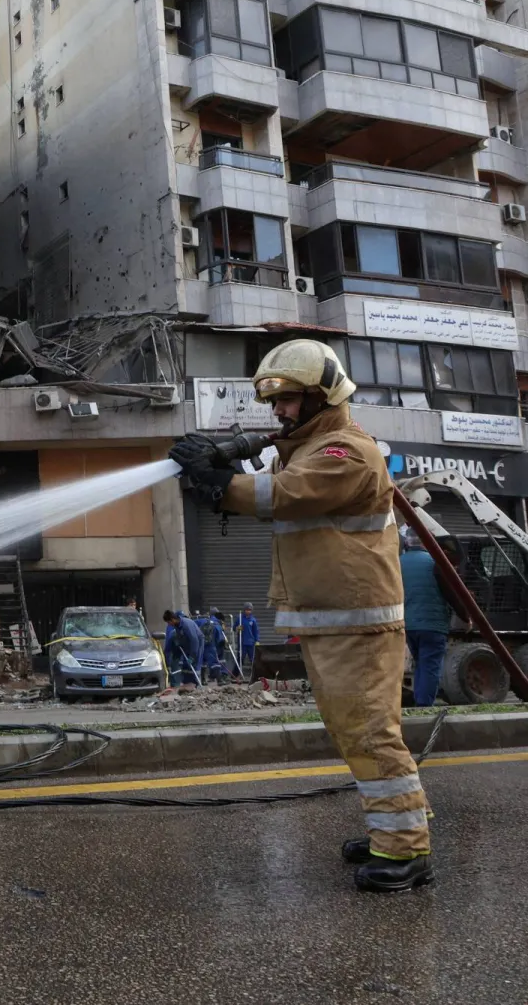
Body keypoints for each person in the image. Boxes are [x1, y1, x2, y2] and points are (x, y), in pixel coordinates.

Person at [169, 339, 431, 893]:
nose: (278, 412)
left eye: (288, 400)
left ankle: (405, 851)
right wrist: (223, 463)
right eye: (275, 402)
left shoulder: (346, 452)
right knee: (354, 730)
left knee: (370, 732)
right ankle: (394, 827)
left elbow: (286, 494)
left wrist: (218, 480)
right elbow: (280, 483)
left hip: (356, 621)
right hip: (333, 619)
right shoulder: (309, 447)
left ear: (322, 395)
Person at [400, 528, 470, 707]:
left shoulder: (397, 563)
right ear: (427, 542)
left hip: (408, 625)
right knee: (430, 665)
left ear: (407, 542)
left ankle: (419, 702)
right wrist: (466, 617)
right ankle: (423, 706)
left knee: (420, 664)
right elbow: (451, 594)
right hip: (433, 624)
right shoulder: (436, 563)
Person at [162, 609, 202, 687]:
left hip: (198, 641)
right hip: (187, 643)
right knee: (186, 664)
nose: (169, 624)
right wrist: (178, 641)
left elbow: (195, 641)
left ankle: (197, 684)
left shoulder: (186, 625)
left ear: (172, 619)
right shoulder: (177, 625)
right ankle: (188, 683)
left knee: (194, 663)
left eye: (168, 622)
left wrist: (192, 656)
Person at [199, 607, 230, 684]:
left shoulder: (204, 621)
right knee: (215, 663)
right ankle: (219, 680)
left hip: (202, 645)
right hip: (211, 646)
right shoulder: (217, 624)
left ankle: (203, 680)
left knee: (203, 662)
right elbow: (220, 640)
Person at [239, 604, 260, 672]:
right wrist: (237, 628)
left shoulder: (253, 620)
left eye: (250, 610)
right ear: (244, 610)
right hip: (242, 642)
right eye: (247, 610)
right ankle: (237, 674)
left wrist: (257, 640)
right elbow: (234, 628)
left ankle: (256, 673)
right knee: (240, 658)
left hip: (251, 642)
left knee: (253, 659)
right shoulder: (240, 618)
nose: (248, 611)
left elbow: (256, 631)